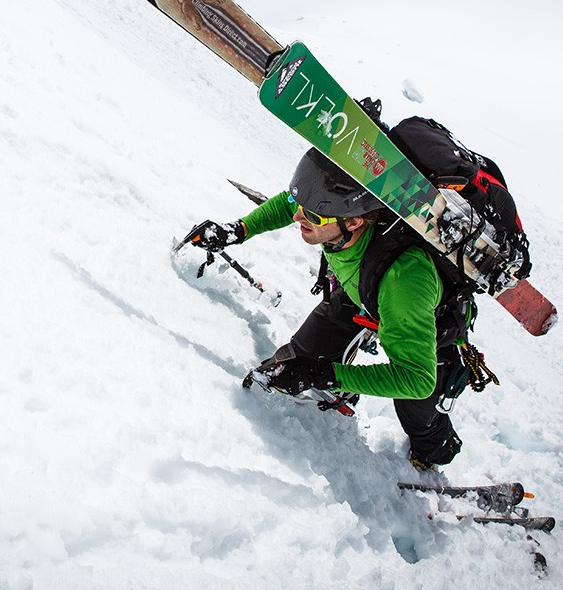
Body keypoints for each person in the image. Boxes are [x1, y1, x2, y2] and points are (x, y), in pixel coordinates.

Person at [185, 147, 463, 470]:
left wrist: (326, 375)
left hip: (426, 324)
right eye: (303, 208)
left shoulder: (404, 281)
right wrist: (239, 230)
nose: (299, 217)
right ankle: (340, 385)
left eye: (313, 215)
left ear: (356, 221)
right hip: (362, 292)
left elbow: (417, 378)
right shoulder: (333, 213)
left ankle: (434, 451)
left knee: (416, 408)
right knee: (295, 364)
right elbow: (292, 203)